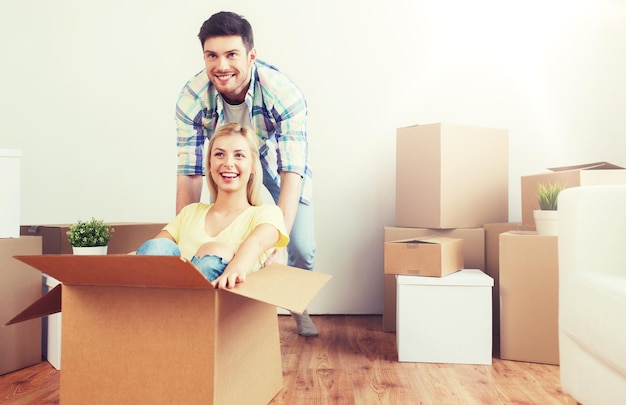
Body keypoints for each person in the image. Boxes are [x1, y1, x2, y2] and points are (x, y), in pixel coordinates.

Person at [174, 11, 318, 336]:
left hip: (277, 163)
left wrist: (278, 246)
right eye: (212, 55)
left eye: (231, 55)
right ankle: (234, 313)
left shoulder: (284, 93)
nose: (221, 66)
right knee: (227, 239)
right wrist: (184, 238)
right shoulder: (192, 97)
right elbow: (190, 171)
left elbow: (291, 170)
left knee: (302, 246)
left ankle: (297, 303)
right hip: (230, 166)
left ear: (251, 55)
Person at [137, 123, 289, 290]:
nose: (228, 163)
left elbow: (257, 242)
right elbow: (150, 253)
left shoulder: (267, 213)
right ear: (209, 165)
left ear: (252, 165)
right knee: (158, 246)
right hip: (164, 298)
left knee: (215, 251)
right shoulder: (190, 212)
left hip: (221, 307)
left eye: (239, 155)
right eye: (219, 154)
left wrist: (236, 268)